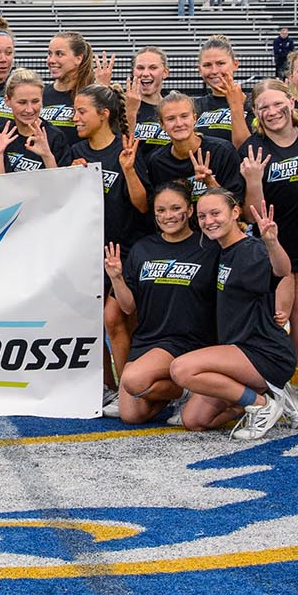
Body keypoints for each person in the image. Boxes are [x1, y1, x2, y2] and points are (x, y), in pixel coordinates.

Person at [169, 190, 298, 439]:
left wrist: (272, 242)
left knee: (181, 370)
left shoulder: (250, 249)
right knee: (194, 420)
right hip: (237, 352)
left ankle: (262, 405)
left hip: (263, 352)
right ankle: (272, 397)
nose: (209, 221)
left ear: (235, 212)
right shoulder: (220, 249)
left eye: (215, 213)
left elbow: (283, 270)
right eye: (202, 216)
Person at [238, 79, 298, 411]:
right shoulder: (253, 147)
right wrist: (253, 181)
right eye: (263, 107)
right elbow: (252, 214)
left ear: (292, 103)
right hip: (271, 246)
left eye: (278, 104)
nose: (272, 111)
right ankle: (272, 381)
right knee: (274, 317)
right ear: (256, 114)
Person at [104, 182, 217, 425]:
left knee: (133, 380)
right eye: (161, 210)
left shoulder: (208, 247)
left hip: (188, 341)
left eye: (176, 208)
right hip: (148, 340)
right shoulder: (143, 248)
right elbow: (128, 307)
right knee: (132, 415)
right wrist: (117, 278)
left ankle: (193, 385)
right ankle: (187, 391)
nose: (168, 216)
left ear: (189, 209)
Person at [64, 85, 147, 412]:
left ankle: (130, 387)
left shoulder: (126, 149)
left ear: (104, 114)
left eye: (81, 111)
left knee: (114, 316)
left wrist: (127, 170)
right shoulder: (74, 151)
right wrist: (69, 179)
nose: (75, 118)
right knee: (91, 319)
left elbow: (142, 206)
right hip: (88, 253)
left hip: (125, 250)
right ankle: (107, 387)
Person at [140, 91, 243, 200]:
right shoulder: (157, 161)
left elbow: (236, 206)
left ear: (194, 118)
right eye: (171, 119)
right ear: (162, 125)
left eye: (184, 116)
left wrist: (210, 183)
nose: (179, 124)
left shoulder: (222, 151)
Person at [0, 69, 66, 173]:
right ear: (8, 101)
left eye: (35, 101)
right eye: (22, 102)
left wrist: (47, 156)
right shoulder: (2, 135)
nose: (29, 109)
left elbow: (63, 185)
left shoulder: (55, 137)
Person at [195, 36, 252, 145]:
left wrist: (236, 106)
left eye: (220, 63)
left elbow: (247, 148)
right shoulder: (194, 106)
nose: (214, 71)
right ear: (199, 70)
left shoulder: (253, 103)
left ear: (235, 64)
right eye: (207, 65)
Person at [41, 32, 97, 139]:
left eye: (59, 54)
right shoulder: (41, 94)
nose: (51, 60)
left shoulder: (91, 95)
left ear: (78, 59)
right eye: (49, 54)